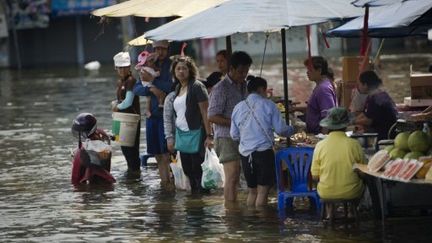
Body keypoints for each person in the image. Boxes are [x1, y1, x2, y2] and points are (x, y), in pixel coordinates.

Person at [230, 76, 294, 207]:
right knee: (263, 192)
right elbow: (281, 130)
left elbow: (234, 135)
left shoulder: (238, 107)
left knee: (252, 192)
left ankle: (251, 223)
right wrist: (294, 129)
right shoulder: (269, 105)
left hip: (245, 154)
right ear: (261, 89)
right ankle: (261, 224)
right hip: (263, 153)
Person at [208, 51, 252, 202]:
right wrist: (235, 122)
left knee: (242, 177)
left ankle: (237, 210)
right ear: (231, 69)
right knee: (232, 176)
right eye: (241, 71)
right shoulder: (221, 88)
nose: (244, 75)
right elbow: (212, 116)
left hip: (244, 137)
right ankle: (231, 214)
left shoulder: (245, 86)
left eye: (246, 71)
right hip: (226, 137)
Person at [168, 55, 212, 193]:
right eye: (178, 68)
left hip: (197, 134)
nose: (181, 71)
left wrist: (209, 135)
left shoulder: (197, 86)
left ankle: (202, 203)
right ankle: (195, 202)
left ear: (190, 70)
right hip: (182, 135)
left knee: (198, 170)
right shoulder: (177, 88)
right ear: (174, 71)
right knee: (187, 170)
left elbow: (206, 112)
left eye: (184, 68)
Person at [133, 40, 173, 186]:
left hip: (167, 116)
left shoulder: (172, 66)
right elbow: (137, 88)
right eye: (157, 48)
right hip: (152, 117)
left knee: (168, 153)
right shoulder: (148, 63)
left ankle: (171, 183)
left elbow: (173, 87)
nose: (160, 52)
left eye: (162, 49)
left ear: (168, 48)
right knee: (157, 153)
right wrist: (151, 89)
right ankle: (165, 183)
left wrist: (153, 81)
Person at [311, 107, 365, 210]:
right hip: (351, 192)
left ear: (328, 126)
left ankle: (329, 213)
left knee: (324, 185)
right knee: (364, 184)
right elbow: (363, 172)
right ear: (346, 126)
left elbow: (315, 177)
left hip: (326, 192)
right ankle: (351, 211)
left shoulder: (320, 145)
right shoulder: (354, 144)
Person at [112, 52, 141, 175]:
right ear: (116, 68)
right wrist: (115, 103)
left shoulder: (131, 81)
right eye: (120, 67)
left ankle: (135, 175)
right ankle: (131, 174)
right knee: (124, 149)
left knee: (132, 151)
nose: (122, 70)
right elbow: (120, 100)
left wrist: (116, 106)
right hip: (120, 119)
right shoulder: (120, 82)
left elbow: (128, 102)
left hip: (131, 121)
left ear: (129, 67)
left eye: (125, 67)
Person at [71, 113, 115, 185]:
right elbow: (107, 139)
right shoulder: (100, 133)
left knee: (76, 182)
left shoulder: (81, 152)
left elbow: (75, 179)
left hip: (91, 165)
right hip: (102, 166)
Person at [354, 70, 398, 140]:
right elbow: (365, 114)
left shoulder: (376, 99)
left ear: (365, 85)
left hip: (384, 136)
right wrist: (354, 120)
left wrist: (352, 122)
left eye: (359, 84)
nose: (358, 87)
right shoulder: (375, 95)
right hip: (380, 130)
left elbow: (368, 121)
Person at [304, 56, 338, 134]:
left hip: (320, 134)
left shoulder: (323, 89)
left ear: (319, 70)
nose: (307, 72)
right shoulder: (321, 86)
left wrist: (322, 137)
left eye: (310, 70)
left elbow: (328, 116)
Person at [135, 51, 161, 118]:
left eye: (152, 61)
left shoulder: (143, 69)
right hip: (148, 84)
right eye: (149, 61)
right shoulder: (147, 69)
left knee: (148, 99)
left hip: (146, 85)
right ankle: (161, 102)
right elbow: (154, 74)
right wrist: (158, 73)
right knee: (157, 93)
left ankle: (147, 110)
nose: (151, 63)